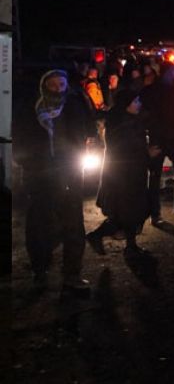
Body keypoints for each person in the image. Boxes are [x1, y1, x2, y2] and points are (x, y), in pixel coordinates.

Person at [14, 70, 93, 295]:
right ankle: (39, 271)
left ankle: (72, 275)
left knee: (73, 225)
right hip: (40, 176)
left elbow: (88, 130)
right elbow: (20, 138)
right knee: (39, 226)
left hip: (69, 175)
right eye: (52, 84)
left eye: (61, 84)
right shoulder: (30, 108)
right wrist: (27, 163)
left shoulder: (74, 105)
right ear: (44, 86)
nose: (58, 88)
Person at [86, 89, 156, 255]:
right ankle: (97, 236)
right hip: (123, 175)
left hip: (132, 173)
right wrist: (147, 153)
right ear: (126, 104)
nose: (138, 104)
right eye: (135, 101)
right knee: (125, 213)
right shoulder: (120, 123)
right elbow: (123, 149)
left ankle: (130, 245)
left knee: (133, 211)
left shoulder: (130, 119)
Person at [141, 64, 174, 224]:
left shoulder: (148, 90)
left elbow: (142, 115)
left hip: (156, 138)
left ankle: (155, 215)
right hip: (172, 137)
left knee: (154, 177)